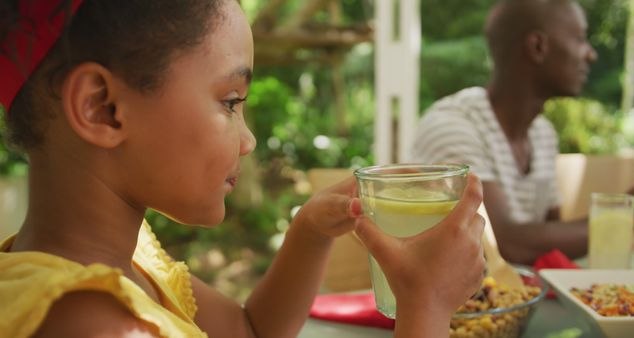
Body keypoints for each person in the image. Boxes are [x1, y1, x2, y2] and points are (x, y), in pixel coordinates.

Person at [0, 1, 486, 337]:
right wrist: (426, 305)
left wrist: (310, 230)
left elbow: (248, 331)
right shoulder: (86, 320)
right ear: (103, 108)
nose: (249, 140)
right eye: (231, 101)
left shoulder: (128, 263)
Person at [411, 0, 600, 265]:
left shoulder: (543, 134)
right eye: (580, 38)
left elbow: (553, 245)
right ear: (538, 46)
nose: (590, 54)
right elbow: (503, 244)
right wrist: (622, 216)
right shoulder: (451, 125)